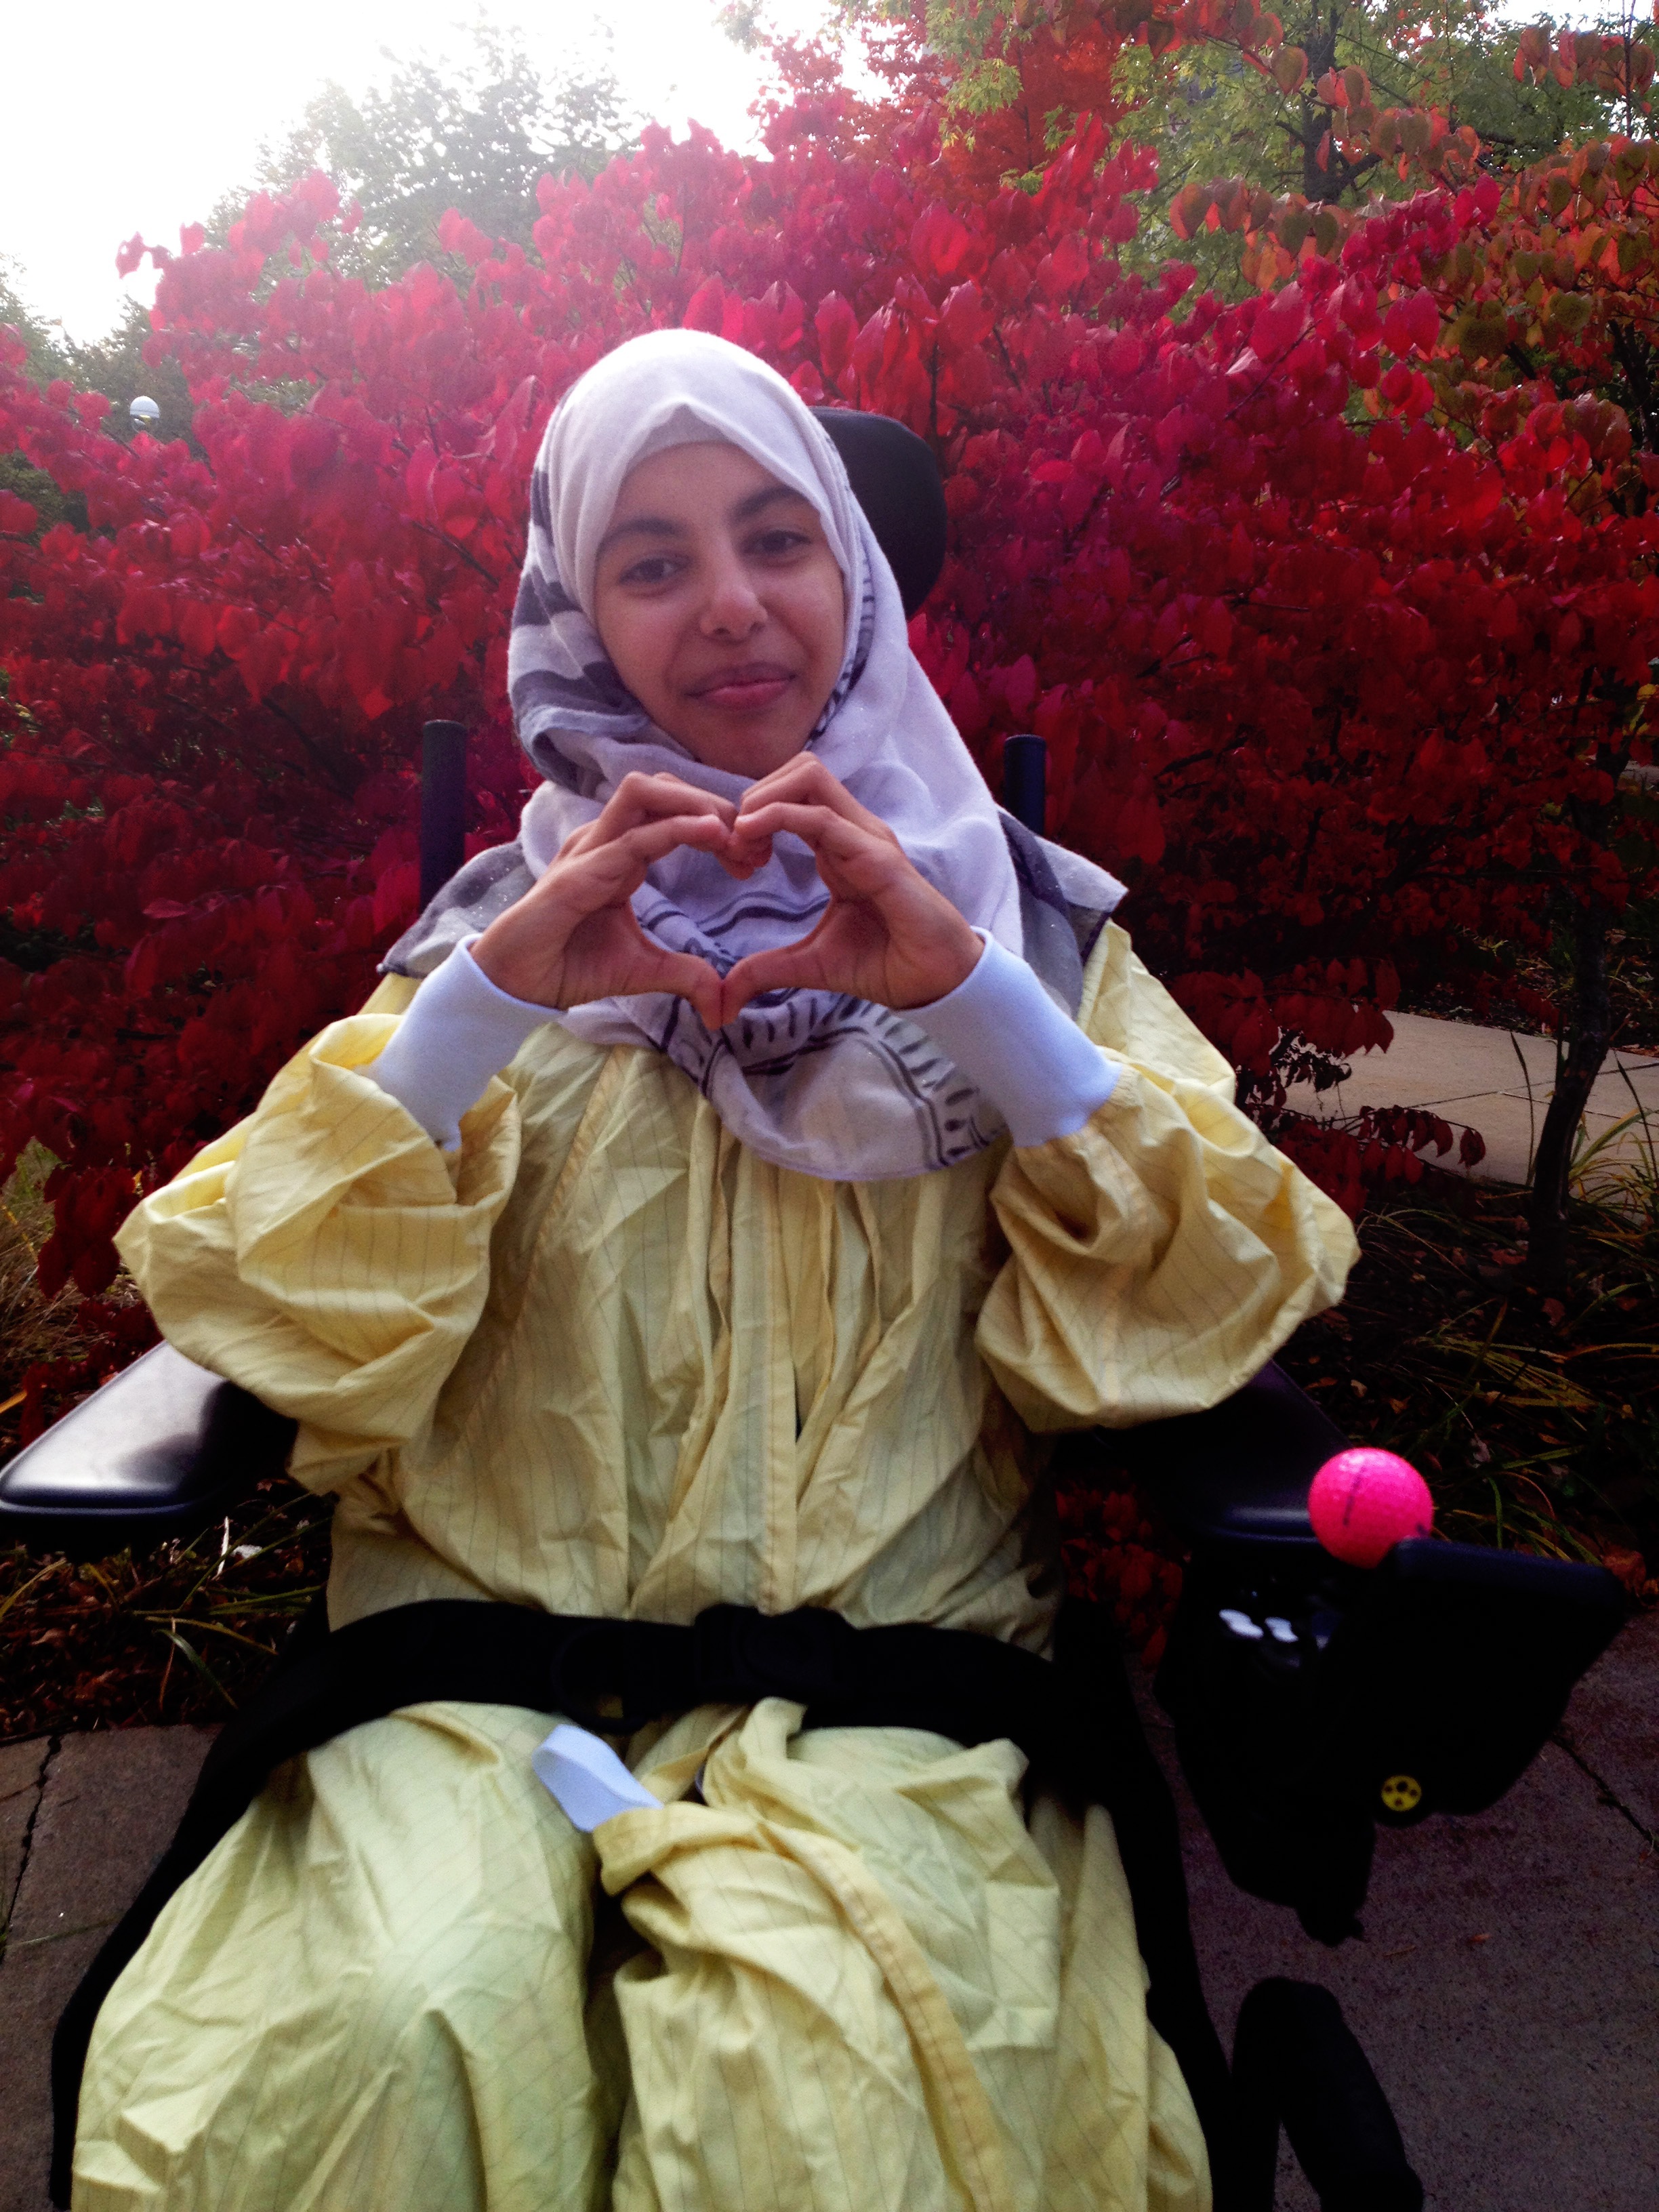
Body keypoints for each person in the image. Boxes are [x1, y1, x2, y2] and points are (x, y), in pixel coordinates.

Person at [74, 331, 1357, 2212]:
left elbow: (1195, 1311)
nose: (732, 606)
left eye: (777, 539)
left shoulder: (1033, 938)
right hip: (469, 1675)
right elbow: (285, 1315)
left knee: (822, 2109)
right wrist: (489, 1013)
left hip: (891, 1686)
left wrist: (977, 1007)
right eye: (653, 560)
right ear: (580, 615)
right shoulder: (489, 945)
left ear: (855, 576)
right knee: (377, 2032)